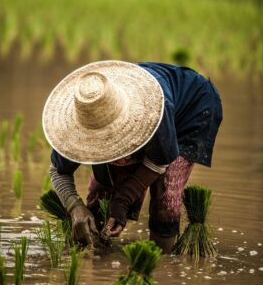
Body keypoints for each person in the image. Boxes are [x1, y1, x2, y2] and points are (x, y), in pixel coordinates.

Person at [42, 60, 223, 253]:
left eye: (111, 140)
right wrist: (74, 207)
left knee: (166, 192)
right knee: (102, 191)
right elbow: (57, 170)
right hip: (147, 109)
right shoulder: (78, 122)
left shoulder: (153, 111)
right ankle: (96, 247)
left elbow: (160, 160)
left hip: (191, 110)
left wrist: (123, 200)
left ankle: (159, 259)